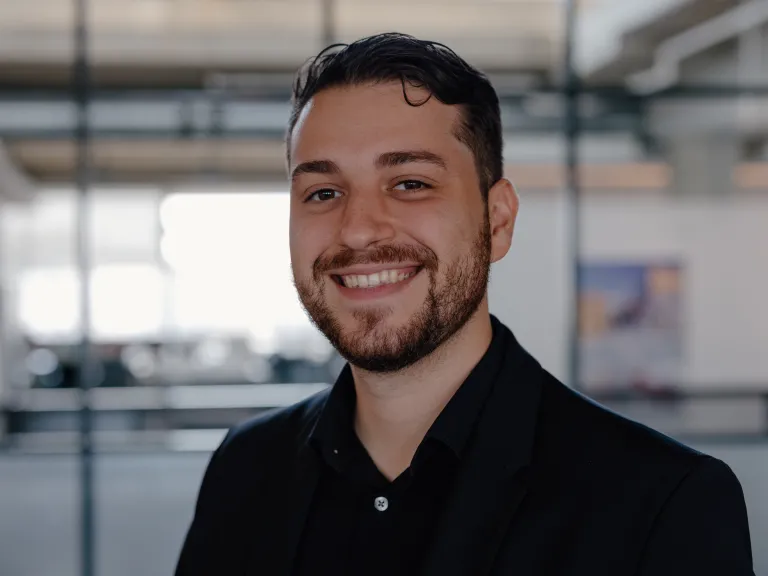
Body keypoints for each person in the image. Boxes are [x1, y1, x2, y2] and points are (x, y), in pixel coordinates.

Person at [175, 33, 754, 576]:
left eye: (410, 184)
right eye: (323, 193)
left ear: (496, 221)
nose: (356, 231)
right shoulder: (245, 469)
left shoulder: (660, 503)